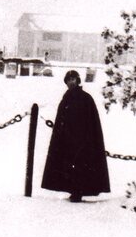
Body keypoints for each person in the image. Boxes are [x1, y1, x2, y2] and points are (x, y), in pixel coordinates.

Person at [41, 69, 110, 202]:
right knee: (69, 166)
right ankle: (73, 191)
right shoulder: (66, 98)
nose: (71, 82)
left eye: (73, 79)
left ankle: (78, 192)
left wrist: (86, 138)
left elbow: (91, 121)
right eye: (68, 80)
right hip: (68, 140)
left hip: (82, 141)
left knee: (80, 166)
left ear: (77, 81)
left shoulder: (86, 98)